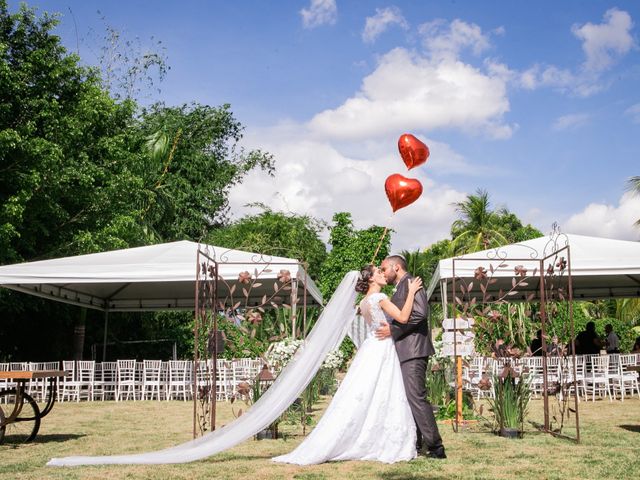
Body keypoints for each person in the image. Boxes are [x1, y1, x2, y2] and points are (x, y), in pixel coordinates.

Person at [273, 265, 424, 465]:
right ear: (370, 279)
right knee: (383, 392)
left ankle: (364, 437)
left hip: (371, 348)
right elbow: (404, 318)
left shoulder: (363, 303)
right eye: (378, 272)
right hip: (382, 349)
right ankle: (380, 439)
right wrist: (412, 292)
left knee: (366, 393)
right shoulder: (379, 298)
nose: (382, 273)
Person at [375, 255, 446, 460]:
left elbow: (420, 314)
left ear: (395, 267)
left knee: (416, 397)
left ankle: (436, 447)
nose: (382, 272)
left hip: (414, 350)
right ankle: (416, 441)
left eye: (384, 269)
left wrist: (393, 330)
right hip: (404, 351)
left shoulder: (412, 283)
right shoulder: (400, 286)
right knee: (408, 398)